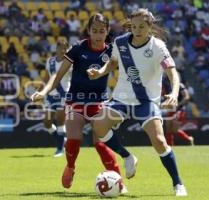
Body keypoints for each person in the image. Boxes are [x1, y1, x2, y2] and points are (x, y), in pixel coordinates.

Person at [87, 9, 187, 196]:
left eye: (142, 26)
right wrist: (100, 72)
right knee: (98, 125)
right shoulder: (120, 42)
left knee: (158, 141)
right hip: (121, 98)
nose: (137, 30)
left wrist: (174, 93)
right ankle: (127, 157)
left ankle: (178, 184)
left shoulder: (158, 47)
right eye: (134, 26)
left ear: (150, 26)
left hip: (146, 100)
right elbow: (113, 62)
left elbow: (172, 72)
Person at [31, 13, 136, 190]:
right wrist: (44, 91)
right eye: (94, 31)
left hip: (99, 101)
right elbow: (58, 74)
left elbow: (126, 72)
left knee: (100, 142)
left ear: (107, 31)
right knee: (74, 138)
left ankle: (118, 182)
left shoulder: (111, 50)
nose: (97, 35)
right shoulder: (78, 48)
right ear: (88, 31)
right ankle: (70, 166)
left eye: (101, 31)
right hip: (75, 101)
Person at [43, 39, 70, 157]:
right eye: (61, 48)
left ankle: (60, 149)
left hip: (64, 94)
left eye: (65, 48)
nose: (63, 50)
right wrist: (42, 92)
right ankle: (62, 141)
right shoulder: (50, 62)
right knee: (47, 123)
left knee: (60, 121)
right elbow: (46, 77)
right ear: (57, 48)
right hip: (51, 95)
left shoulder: (70, 62)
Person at [163, 79, 194, 146]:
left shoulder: (180, 85)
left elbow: (186, 97)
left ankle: (189, 139)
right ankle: (170, 147)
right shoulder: (168, 86)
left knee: (174, 130)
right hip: (171, 109)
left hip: (179, 110)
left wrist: (179, 105)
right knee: (168, 130)